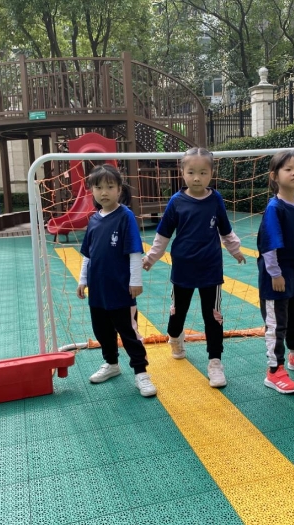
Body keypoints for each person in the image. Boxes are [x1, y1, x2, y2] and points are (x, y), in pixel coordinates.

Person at [143, 147, 246, 388]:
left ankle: (215, 362)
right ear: (182, 173)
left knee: (213, 317)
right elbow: (163, 234)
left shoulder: (215, 199)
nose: (197, 178)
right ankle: (175, 337)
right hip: (183, 269)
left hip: (211, 269)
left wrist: (236, 250)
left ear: (211, 173)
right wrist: (151, 257)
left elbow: (225, 229)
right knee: (178, 312)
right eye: (191, 172)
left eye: (203, 172)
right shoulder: (177, 201)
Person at [77, 164, 157, 397]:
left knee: (128, 332)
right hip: (98, 291)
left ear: (119, 189)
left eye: (110, 187)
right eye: (98, 187)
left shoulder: (126, 217)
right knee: (102, 331)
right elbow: (88, 255)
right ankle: (111, 363)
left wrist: (135, 281)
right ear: (92, 191)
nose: (104, 192)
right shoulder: (94, 220)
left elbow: (134, 252)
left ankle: (141, 373)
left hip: (121, 290)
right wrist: (83, 279)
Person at [257, 150, 294, 394]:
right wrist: (275, 274)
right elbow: (269, 245)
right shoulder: (275, 208)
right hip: (276, 280)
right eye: (288, 169)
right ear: (274, 176)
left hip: (293, 276)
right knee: (276, 325)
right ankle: (274, 371)